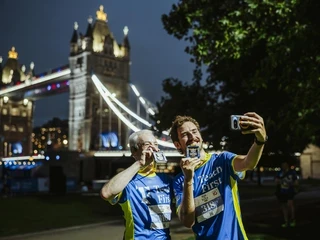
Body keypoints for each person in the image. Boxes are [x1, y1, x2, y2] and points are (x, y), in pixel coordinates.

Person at [169, 112, 267, 240]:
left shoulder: (222, 160)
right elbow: (188, 221)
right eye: (185, 135)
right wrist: (188, 180)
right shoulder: (179, 180)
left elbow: (248, 163)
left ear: (201, 136)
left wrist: (260, 141)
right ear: (177, 145)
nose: (192, 137)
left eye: (194, 131)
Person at [100, 129, 173, 240]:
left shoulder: (166, 180)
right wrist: (139, 164)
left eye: (156, 144)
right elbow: (106, 193)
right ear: (134, 151)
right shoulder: (127, 180)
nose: (153, 148)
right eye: (147, 145)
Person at [275, 161, 299, 228]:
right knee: (284, 206)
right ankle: (286, 221)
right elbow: (276, 181)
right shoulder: (279, 173)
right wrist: (280, 181)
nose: (284, 166)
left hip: (290, 192)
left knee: (290, 205)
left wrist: (289, 183)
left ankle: (292, 219)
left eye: (285, 165)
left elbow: (296, 183)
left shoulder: (292, 173)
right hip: (282, 192)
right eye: (283, 165)